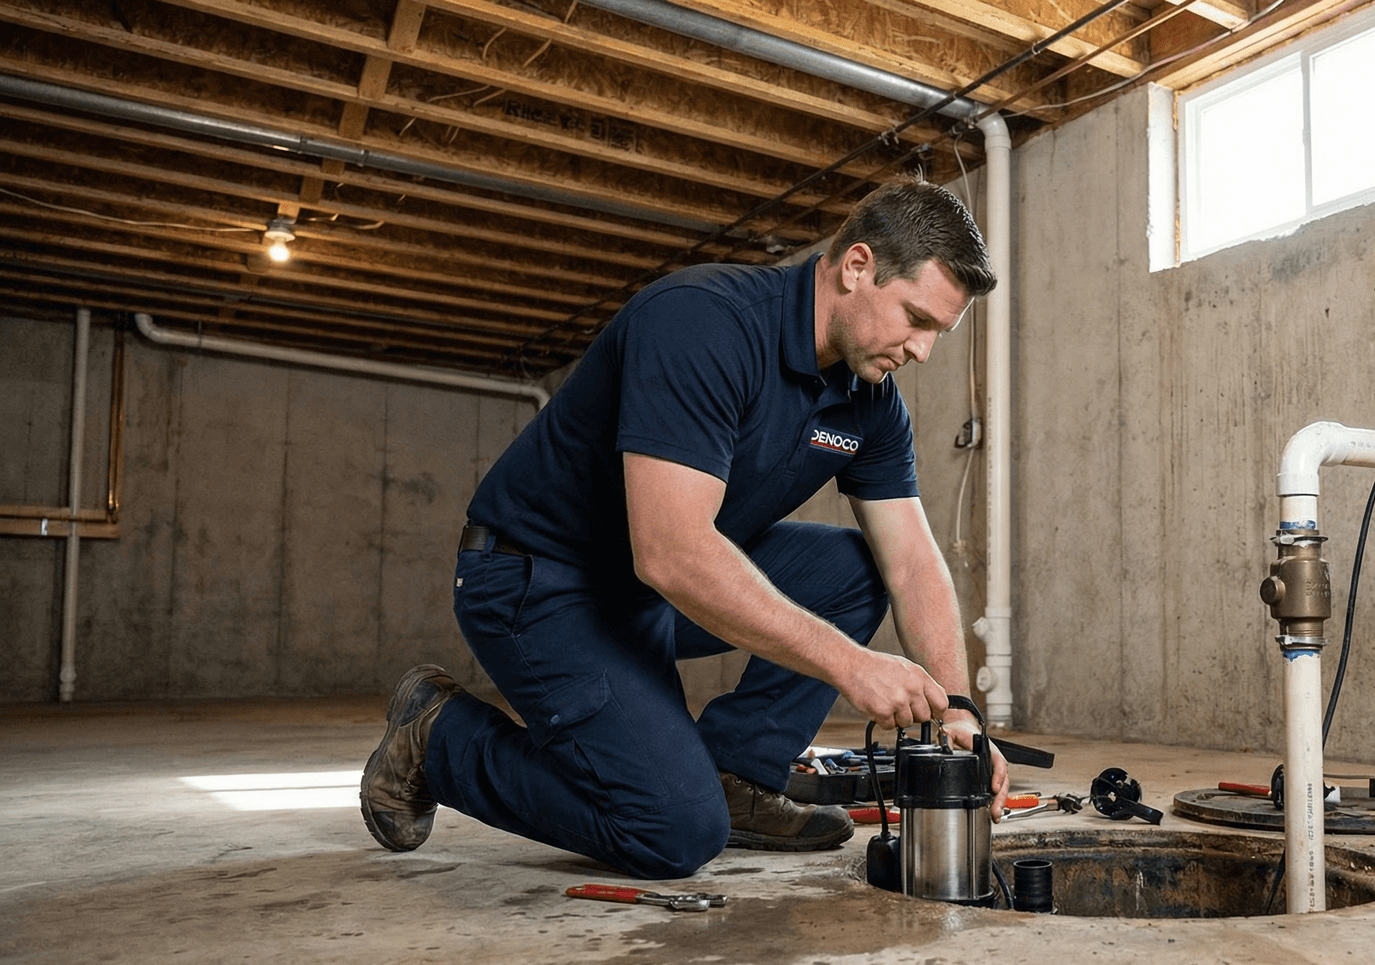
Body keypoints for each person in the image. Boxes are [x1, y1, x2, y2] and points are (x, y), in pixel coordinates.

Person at [358, 178, 1009, 878]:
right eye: (916, 319)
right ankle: (441, 738)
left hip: (646, 591)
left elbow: (910, 562)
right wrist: (851, 664)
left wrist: (960, 713)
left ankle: (737, 776)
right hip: (539, 579)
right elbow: (672, 551)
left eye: (939, 333)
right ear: (857, 267)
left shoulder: (871, 403)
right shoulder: (703, 321)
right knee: (672, 832)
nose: (922, 352)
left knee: (856, 566)